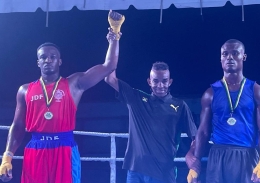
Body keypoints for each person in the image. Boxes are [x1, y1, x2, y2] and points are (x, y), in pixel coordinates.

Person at [0, 10, 125, 183]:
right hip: (36, 149)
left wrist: (115, 36)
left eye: (53, 57)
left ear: (59, 61)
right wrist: (7, 157)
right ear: (38, 62)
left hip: (64, 148)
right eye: (43, 57)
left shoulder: (74, 84)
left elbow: (109, 66)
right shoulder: (24, 90)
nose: (48, 60)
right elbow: (18, 125)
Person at [186, 39, 260, 183]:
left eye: (235, 53)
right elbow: (203, 132)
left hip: (247, 154)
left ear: (243, 57)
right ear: (220, 58)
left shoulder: (257, 91)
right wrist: (195, 166)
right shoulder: (210, 93)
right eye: (225, 54)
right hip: (218, 155)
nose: (229, 57)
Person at [104, 61, 198, 183]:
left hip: (163, 173)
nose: (160, 85)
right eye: (155, 81)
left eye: (164, 81)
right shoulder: (136, 99)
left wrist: (190, 154)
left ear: (170, 82)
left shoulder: (180, 106)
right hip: (135, 171)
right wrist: (113, 42)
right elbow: (109, 79)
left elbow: (196, 137)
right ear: (149, 81)